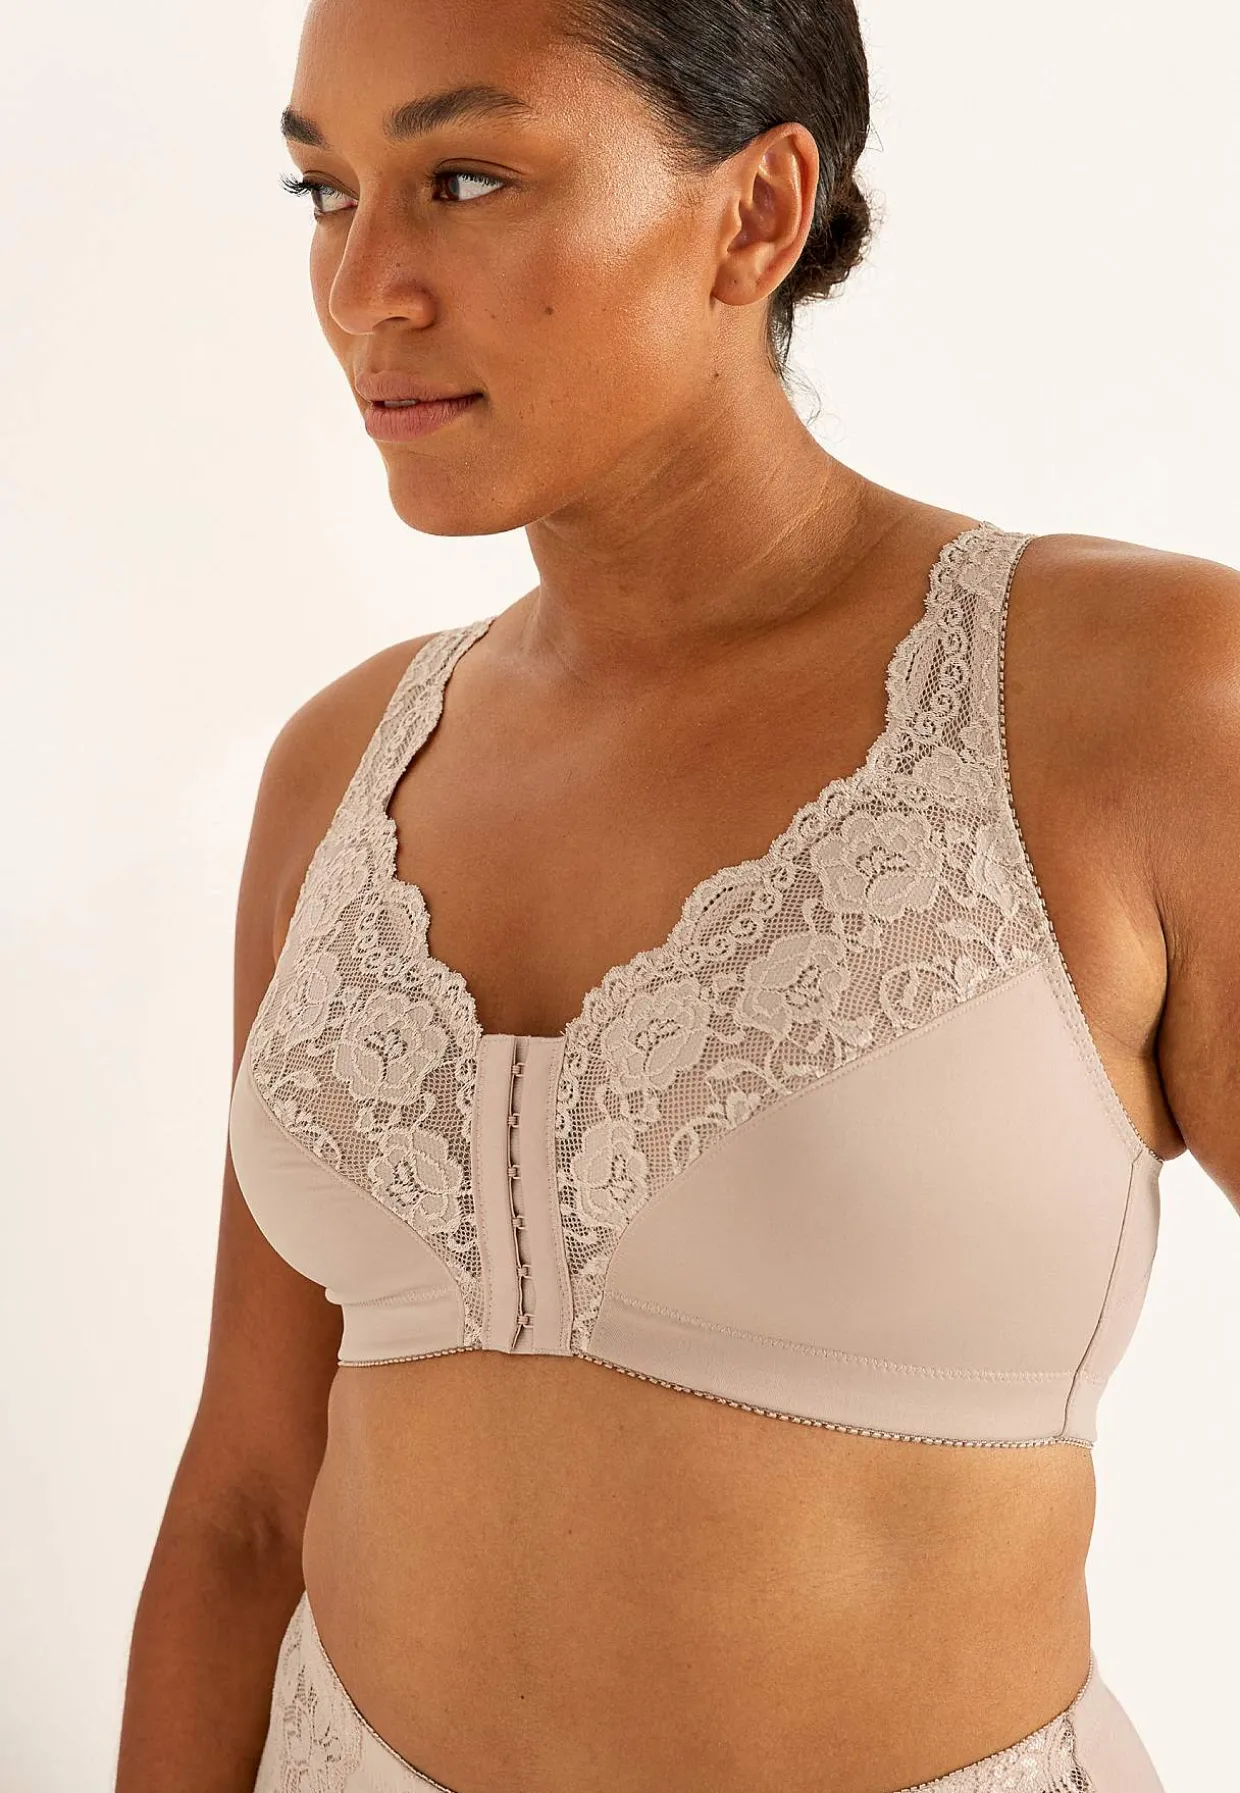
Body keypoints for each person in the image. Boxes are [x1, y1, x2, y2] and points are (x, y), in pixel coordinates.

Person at [115, 0, 1239, 1789]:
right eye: (325, 191)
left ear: (756, 212)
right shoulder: (342, 766)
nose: (365, 290)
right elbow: (250, 1499)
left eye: (465, 180)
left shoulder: (1134, 698)